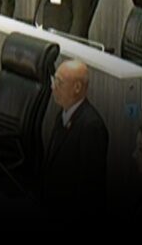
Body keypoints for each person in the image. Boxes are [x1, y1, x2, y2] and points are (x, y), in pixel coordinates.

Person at [42, 59, 109, 206]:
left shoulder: (92, 128)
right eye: (54, 80)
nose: (53, 87)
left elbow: (89, 189)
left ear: (77, 87)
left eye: (59, 82)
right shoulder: (62, 114)